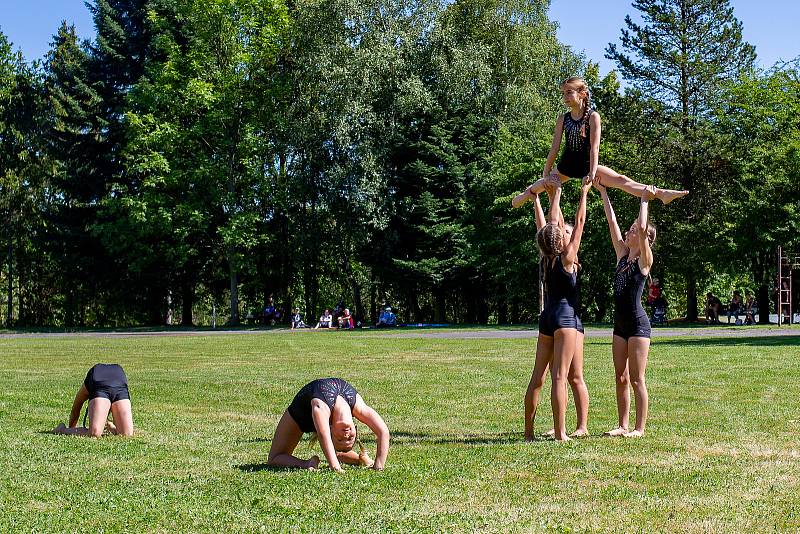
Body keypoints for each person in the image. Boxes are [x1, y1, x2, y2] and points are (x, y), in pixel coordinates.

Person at [512, 77, 688, 209]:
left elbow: (594, 148)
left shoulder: (592, 117)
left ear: (582, 94)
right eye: (563, 93)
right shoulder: (563, 119)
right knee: (540, 185)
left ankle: (660, 193)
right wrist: (546, 174)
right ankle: (524, 195)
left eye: (569, 92)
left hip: (588, 166)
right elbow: (555, 148)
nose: (565, 97)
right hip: (566, 166)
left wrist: (592, 173)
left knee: (621, 180)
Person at [523, 179, 590, 441]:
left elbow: (547, 226)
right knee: (560, 377)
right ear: (561, 240)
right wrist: (583, 193)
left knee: (538, 377)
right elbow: (580, 221)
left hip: (547, 318)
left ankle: (529, 433)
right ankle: (561, 433)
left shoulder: (547, 255)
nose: (564, 230)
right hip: (565, 319)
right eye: (563, 231)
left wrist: (551, 196)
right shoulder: (567, 257)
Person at [596, 181, 656, 438]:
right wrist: (603, 192)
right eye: (629, 230)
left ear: (645, 240)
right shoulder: (622, 254)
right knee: (620, 376)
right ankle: (622, 425)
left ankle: (639, 428)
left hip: (638, 325)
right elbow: (611, 223)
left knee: (636, 378)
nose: (629, 232)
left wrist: (644, 199)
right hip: (619, 325)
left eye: (633, 230)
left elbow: (643, 229)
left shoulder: (644, 260)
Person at [267, 378, 390, 472]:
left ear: (331, 428)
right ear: (356, 430)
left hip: (307, 414)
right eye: (350, 438)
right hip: (304, 413)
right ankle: (359, 459)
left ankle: (308, 463)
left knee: (275, 458)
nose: (346, 434)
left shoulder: (322, 409)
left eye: (340, 438)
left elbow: (323, 434)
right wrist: (378, 465)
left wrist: (378, 465)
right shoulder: (357, 406)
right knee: (275, 458)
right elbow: (383, 431)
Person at [52, 364, 134, 437]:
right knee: (94, 433)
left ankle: (109, 425)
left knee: (126, 434)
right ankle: (61, 429)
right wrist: (70, 429)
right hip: (99, 384)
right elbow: (76, 408)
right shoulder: (88, 386)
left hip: (119, 384)